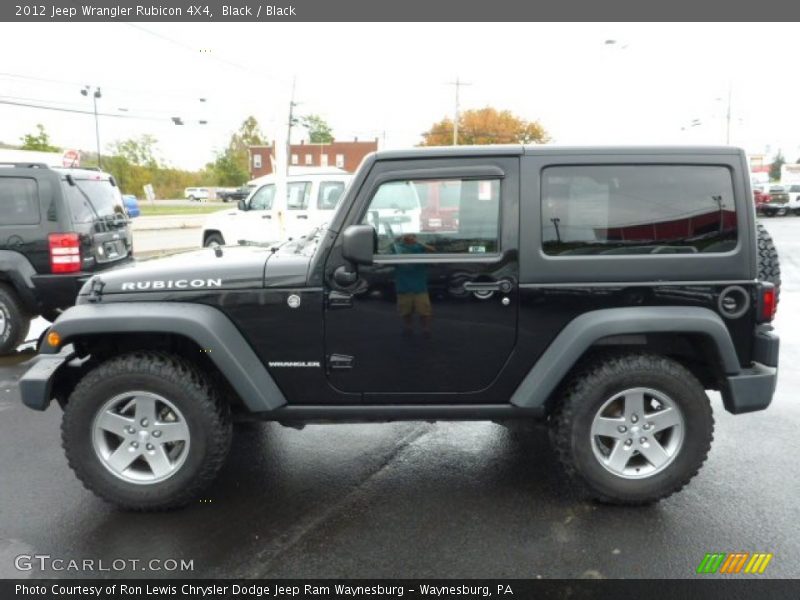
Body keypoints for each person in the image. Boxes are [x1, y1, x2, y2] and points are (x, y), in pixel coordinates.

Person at [392, 233, 435, 336]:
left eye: (412, 236)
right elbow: (384, 253)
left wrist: (418, 242)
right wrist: (395, 240)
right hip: (403, 286)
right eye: (407, 236)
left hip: (420, 288)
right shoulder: (398, 248)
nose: (410, 238)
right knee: (405, 311)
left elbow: (433, 250)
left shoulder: (419, 247)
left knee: (424, 311)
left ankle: (425, 329)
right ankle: (408, 328)